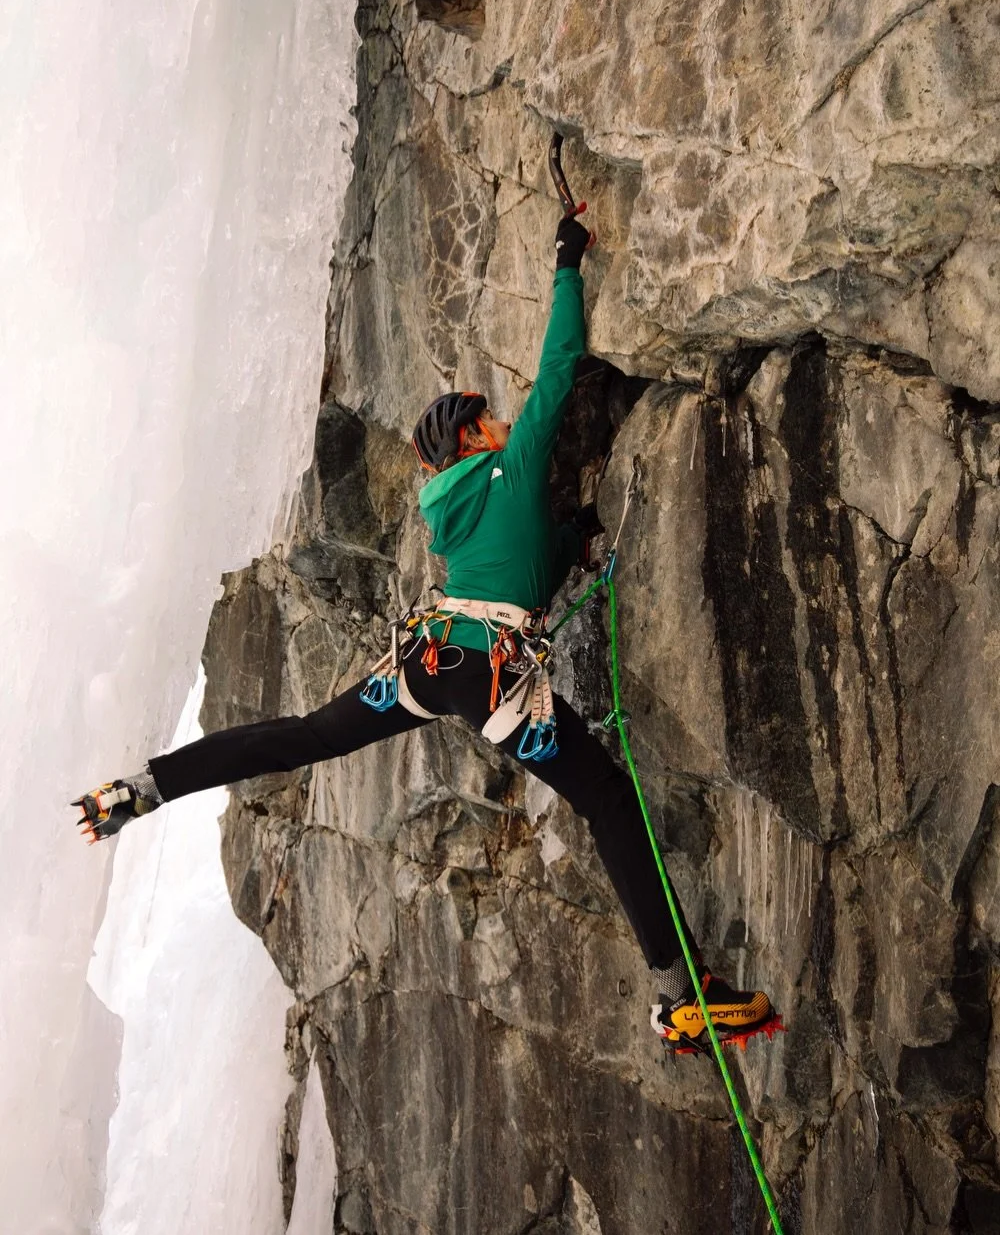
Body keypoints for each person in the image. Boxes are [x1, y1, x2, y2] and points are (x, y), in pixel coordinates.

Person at [74, 209, 778, 1054]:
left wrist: (577, 536)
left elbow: (527, 558)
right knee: (609, 797)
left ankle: (144, 789)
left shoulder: (463, 513)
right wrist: (567, 260)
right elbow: (560, 365)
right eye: (489, 419)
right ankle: (681, 996)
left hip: (426, 660)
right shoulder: (512, 470)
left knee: (303, 737)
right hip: (484, 669)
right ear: (473, 439)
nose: (504, 423)